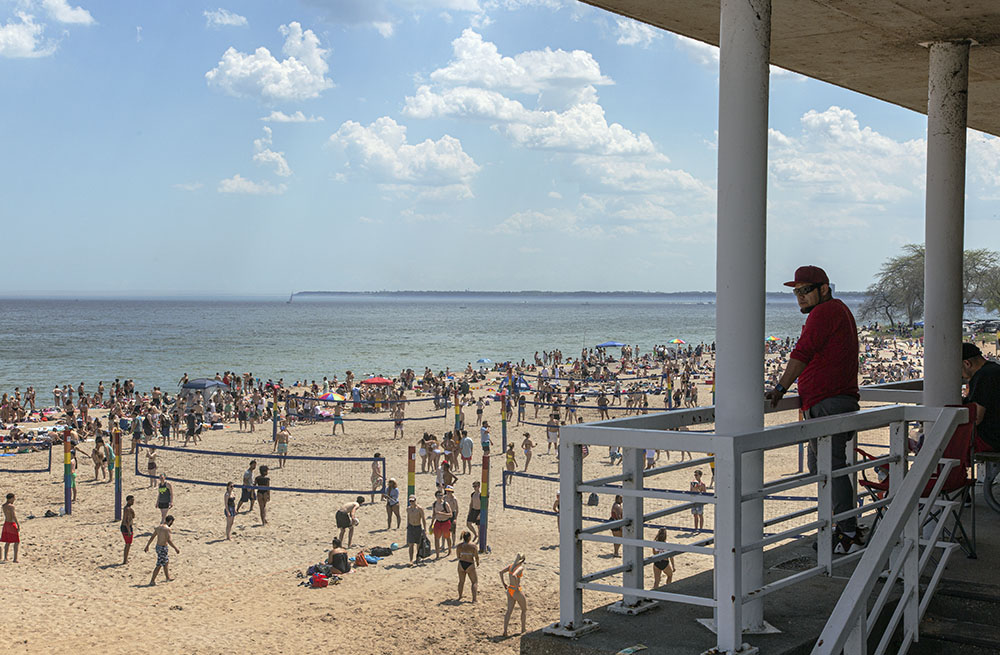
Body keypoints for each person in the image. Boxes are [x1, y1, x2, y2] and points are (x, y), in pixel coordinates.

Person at [766, 265, 862, 554]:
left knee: (830, 469)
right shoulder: (839, 310)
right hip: (828, 401)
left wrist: (780, 388)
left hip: (829, 402)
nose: (800, 297)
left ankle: (847, 531)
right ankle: (843, 526)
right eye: (796, 292)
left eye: (805, 290)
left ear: (824, 288)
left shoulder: (825, 312)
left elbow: (802, 353)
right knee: (821, 468)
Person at [961, 342, 998, 450]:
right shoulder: (994, 369)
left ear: (967, 363)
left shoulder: (983, 376)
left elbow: (976, 417)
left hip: (991, 439)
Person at [144, 515, 179, 585]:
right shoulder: (167, 529)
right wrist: (175, 548)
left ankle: (167, 577)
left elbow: (152, 537)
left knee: (166, 562)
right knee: (159, 564)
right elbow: (169, 540)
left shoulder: (158, 527)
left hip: (158, 547)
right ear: (170, 521)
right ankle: (152, 580)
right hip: (163, 547)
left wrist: (147, 545)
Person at [500, 553, 527, 638]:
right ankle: (523, 629)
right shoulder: (520, 567)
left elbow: (501, 572)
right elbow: (514, 575)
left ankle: (505, 631)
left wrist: (504, 583)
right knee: (524, 609)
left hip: (509, 590)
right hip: (516, 590)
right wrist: (516, 585)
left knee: (509, 611)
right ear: (522, 560)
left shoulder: (511, 566)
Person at [456, 530, 480, 602]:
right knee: (474, 582)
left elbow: (458, 556)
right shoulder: (473, 546)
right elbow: (476, 556)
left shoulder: (459, 546)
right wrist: (477, 562)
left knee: (461, 581)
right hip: (470, 564)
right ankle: (474, 599)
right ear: (469, 537)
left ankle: (460, 596)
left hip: (461, 563)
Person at [431, 489, 453, 558]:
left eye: (441, 495)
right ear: (436, 496)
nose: (440, 497)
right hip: (438, 522)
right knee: (436, 538)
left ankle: (449, 550)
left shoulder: (445, 504)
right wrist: (431, 523)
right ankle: (437, 555)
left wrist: (442, 513)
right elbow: (434, 514)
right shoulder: (434, 504)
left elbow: (450, 514)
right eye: (438, 495)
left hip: (445, 522)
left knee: (447, 537)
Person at [405, 495, 427, 565]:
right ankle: (411, 560)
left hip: (418, 527)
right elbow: (408, 518)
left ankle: (418, 558)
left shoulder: (419, 509)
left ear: (415, 501)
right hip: (411, 527)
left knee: (418, 544)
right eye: (410, 501)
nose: (411, 502)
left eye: (413, 501)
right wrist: (407, 526)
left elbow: (423, 519)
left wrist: (425, 529)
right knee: (411, 544)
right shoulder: (408, 509)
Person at [2, 493, 19, 563]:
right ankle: (15, 558)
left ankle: (5, 557)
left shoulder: (3, 506)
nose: (14, 499)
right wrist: (18, 524)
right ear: (10, 498)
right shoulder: (11, 506)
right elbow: (13, 516)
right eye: (13, 498)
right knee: (16, 542)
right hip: (11, 524)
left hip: (6, 523)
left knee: (7, 541)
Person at [120, 494, 135, 564]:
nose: (133, 502)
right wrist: (129, 530)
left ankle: (126, 559)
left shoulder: (129, 509)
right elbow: (125, 521)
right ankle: (125, 560)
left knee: (128, 544)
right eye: (132, 500)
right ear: (128, 501)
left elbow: (133, 516)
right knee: (127, 544)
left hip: (128, 527)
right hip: (126, 528)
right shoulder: (126, 509)